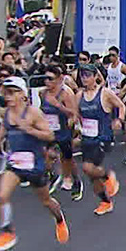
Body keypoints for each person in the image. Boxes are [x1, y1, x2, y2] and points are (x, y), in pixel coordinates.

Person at [0, 77, 70, 251]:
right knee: (2, 195)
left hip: (35, 166)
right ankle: (7, 232)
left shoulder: (33, 114)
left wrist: (29, 129)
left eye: (13, 92)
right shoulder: (7, 114)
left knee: (46, 201)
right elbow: (0, 134)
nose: (8, 96)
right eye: (7, 93)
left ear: (23, 94)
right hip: (15, 163)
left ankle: (59, 219)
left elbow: (50, 136)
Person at [76, 65, 123, 216]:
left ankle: (108, 176)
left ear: (95, 76)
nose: (84, 78)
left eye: (88, 75)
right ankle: (105, 201)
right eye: (82, 75)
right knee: (91, 176)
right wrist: (76, 125)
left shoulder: (105, 93)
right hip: (87, 138)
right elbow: (76, 114)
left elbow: (121, 105)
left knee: (87, 168)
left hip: (103, 137)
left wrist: (119, 120)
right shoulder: (79, 95)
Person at [40, 65, 83, 201]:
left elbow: (73, 113)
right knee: (44, 153)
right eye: (45, 78)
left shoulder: (66, 93)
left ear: (59, 79)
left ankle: (76, 181)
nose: (47, 82)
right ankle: (53, 175)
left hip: (63, 129)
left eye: (50, 79)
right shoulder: (42, 93)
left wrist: (58, 105)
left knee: (67, 158)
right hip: (49, 130)